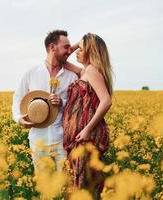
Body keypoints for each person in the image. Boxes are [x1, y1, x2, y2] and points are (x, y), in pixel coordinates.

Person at [11, 29, 78, 172]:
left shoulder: (72, 76)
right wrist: (19, 119)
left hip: (62, 140)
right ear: (52, 47)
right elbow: (18, 97)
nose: (69, 51)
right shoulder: (32, 73)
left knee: (64, 185)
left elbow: (77, 105)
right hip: (38, 140)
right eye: (66, 47)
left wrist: (62, 102)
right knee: (43, 186)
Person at [62, 33, 113, 199]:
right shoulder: (85, 71)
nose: (77, 51)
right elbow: (63, 59)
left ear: (91, 52)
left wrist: (87, 129)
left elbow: (106, 101)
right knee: (80, 184)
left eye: (81, 49)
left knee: (84, 186)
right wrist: (82, 42)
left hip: (86, 137)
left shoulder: (91, 71)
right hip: (80, 138)